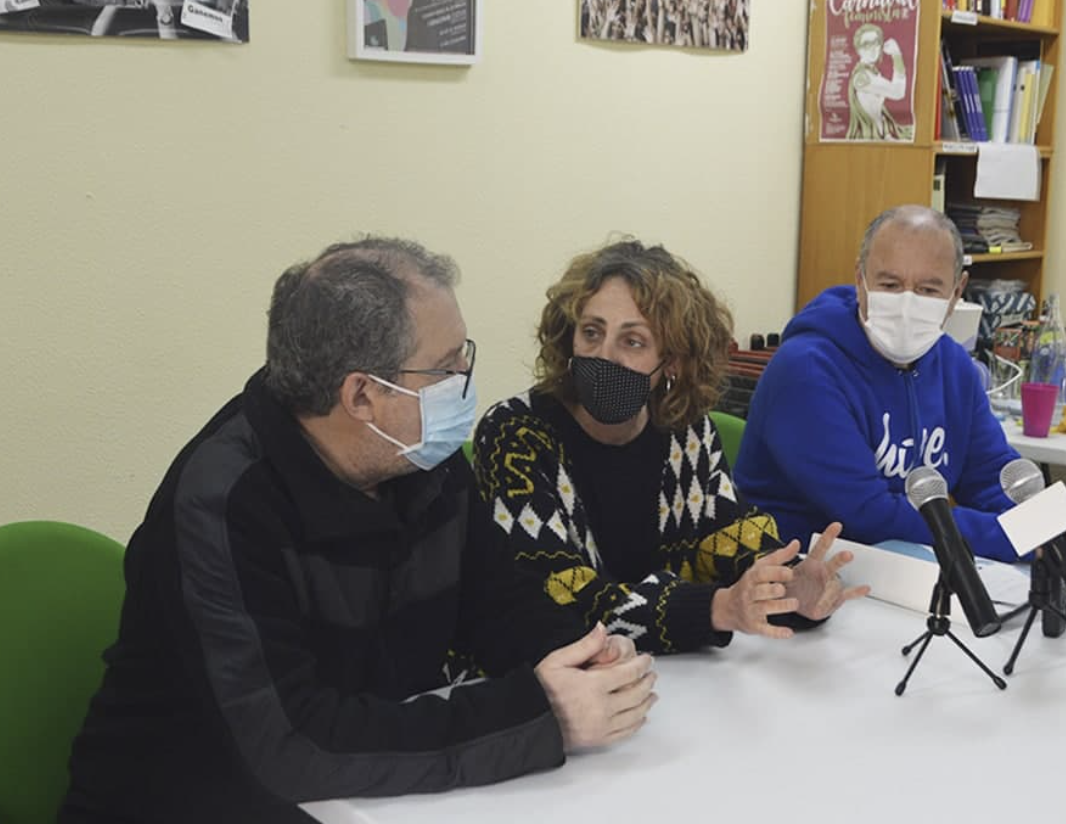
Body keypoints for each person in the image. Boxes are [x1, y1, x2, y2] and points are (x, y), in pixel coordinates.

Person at [60, 237, 657, 824]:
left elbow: (496, 599)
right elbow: (292, 745)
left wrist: (578, 657)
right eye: (447, 368)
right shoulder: (224, 500)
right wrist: (537, 714)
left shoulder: (423, 458)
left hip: (362, 798)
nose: (465, 381)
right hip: (187, 801)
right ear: (363, 395)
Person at [473, 239, 867, 656]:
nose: (604, 356)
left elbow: (730, 540)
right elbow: (554, 598)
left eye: (633, 341)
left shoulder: (686, 431)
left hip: (674, 680)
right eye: (591, 333)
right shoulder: (514, 433)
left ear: (673, 363)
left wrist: (793, 586)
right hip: (550, 682)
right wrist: (713, 608)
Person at [734, 206, 1066, 575]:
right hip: (797, 578)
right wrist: (1026, 537)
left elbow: (991, 475)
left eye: (928, 289)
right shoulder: (805, 370)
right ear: (860, 279)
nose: (907, 303)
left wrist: (1062, 525)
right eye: (890, 284)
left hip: (906, 572)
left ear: (957, 292)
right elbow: (867, 515)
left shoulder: (955, 367)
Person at [846, 23, 909, 142]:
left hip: (880, 133)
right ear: (858, 49)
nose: (873, 48)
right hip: (867, 138)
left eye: (876, 42)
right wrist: (896, 54)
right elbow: (898, 92)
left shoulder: (873, 73)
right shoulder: (862, 77)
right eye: (866, 45)